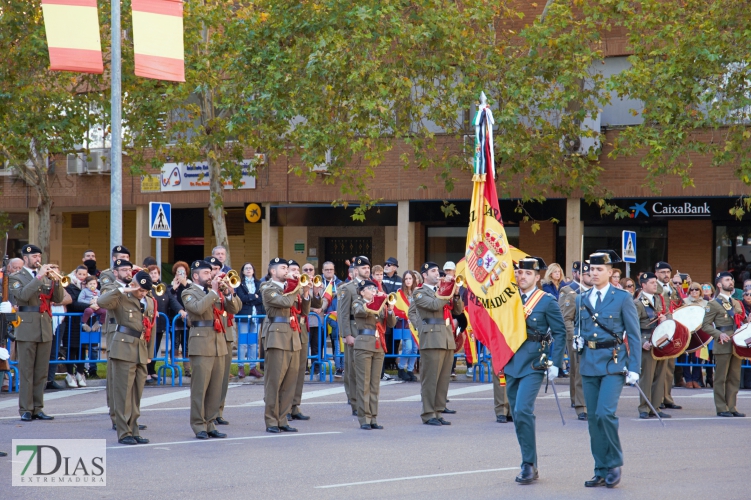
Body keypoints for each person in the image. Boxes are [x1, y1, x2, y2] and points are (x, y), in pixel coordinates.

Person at [575, 250, 641, 489]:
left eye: (599, 269)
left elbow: (633, 335)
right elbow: (579, 328)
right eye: (591, 269)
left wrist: (634, 368)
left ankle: (614, 463)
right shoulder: (581, 298)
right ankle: (600, 469)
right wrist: (577, 340)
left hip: (614, 363)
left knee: (605, 414)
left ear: (610, 272)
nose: (594, 273)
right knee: (593, 419)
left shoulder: (622, 298)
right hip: (589, 362)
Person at [504, 257, 566, 484]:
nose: (522, 277)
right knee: (516, 414)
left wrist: (556, 362)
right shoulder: (508, 299)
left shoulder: (546, 301)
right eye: (519, 273)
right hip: (511, 360)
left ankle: (529, 464)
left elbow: (560, 333)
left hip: (533, 361)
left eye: (528, 274)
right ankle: (527, 460)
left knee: (523, 410)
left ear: (538, 277)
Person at [97, 270, 157, 445]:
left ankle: (134, 429)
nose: (143, 293)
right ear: (134, 285)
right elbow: (101, 302)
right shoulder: (121, 297)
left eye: (145, 291)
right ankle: (124, 433)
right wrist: (125, 290)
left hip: (141, 349)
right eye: (140, 290)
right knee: (123, 394)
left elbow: (150, 329)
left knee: (136, 395)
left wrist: (150, 355)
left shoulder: (149, 302)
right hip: (123, 348)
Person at [9, 245, 65, 421]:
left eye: (39, 256)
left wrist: (56, 281)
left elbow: (58, 299)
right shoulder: (16, 277)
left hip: (44, 327)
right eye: (34, 256)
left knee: (41, 371)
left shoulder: (46, 277)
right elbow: (23, 295)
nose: (37, 259)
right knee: (27, 370)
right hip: (27, 326)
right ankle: (26, 409)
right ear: (25, 258)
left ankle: (38, 407)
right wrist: (40, 276)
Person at [182, 260, 233, 439]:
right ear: (195, 276)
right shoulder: (188, 292)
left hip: (219, 343)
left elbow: (236, 308)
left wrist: (227, 293)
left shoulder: (216, 291)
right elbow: (197, 308)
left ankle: (210, 423)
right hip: (201, 344)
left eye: (210, 273)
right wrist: (213, 291)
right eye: (206, 273)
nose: (210, 276)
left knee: (215, 387)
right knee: (200, 388)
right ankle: (198, 425)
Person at [409, 261, 464, 426]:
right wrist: (447, 291)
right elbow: (433, 305)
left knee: (443, 379)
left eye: (437, 271)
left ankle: (438, 411)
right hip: (432, 337)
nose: (437, 274)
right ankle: (428, 413)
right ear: (424, 275)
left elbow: (458, 310)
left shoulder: (442, 291)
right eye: (433, 271)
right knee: (430, 378)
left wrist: (455, 294)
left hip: (447, 337)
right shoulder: (419, 292)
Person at [260, 257, 305, 433]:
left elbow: (305, 309)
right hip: (276, 337)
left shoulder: (291, 288)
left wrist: (306, 293)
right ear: (273, 271)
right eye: (284, 268)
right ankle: (271, 420)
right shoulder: (267, 288)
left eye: (288, 268)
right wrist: (296, 287)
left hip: (293, 336)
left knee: (290, 380)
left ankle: (283, 418)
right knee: (275, 381)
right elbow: (285, 302)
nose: (287, 271)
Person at [701, 272, 746, 417]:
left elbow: (741, 322)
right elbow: (705, 325)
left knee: (734, 377)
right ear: (719, 285)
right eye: (727, 280)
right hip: (722, 342)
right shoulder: (713, 304)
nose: (731, 282)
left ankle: (732, 406)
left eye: (732, 279)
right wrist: (718, 334)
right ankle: (721, 407)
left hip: (736, 343)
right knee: (721, 377)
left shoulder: (736, 303)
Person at [353, 279, 396, 429]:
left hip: (379, 345)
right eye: (370, 288)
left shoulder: (380, 305)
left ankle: (373, 417)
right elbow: (361, 311)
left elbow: (391, 324)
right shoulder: (358, 302)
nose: (373, 291)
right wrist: (377, 301)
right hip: (364, 344)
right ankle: (364, 418)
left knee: (375, 384)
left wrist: (390, 309)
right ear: (362, 291)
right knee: (363, 383)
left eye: (374, 288)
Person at [99, 245, 132, 428]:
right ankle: (115, 417)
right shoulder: (109, 286)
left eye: (129, 269)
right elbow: (107, 302)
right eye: (124, 269)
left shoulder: (134, 285)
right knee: (114, 376)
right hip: (115, 331)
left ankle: (128, 416)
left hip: (132, 334)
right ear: (115, 271)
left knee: (129, 378)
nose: (128, 272)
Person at [633, 272, 671, 419]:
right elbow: (633, 326)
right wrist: (642, 343)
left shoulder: (658, 299)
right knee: (647, 377)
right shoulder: (637, 303)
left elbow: (667, 315)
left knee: (660, 376)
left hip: (660, 340)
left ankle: (655, 407)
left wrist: (664, 318)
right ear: (643, 285)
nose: (655, 284)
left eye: (656, 282)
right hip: (647, 340)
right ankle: (644, 407)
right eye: (652, 282)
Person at [558, 260, 592, 421]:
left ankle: (585, 401)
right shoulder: (570, 292)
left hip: (594, 337)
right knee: (578, 371)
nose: (591, 276)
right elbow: (567, 319)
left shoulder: (596, 291)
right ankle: (580, 404)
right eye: (586, 273)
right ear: (577, 274)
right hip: (577, 337)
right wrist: (574, 337)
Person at [338, 256, 371, 415]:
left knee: (365, 370)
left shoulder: (372, 287)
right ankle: (354, 402)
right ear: (356, 270)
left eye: (368, 268)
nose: (367, 270)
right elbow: (343, 314)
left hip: (368, 331)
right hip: (354, 330)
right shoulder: (348, 288)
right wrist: (346, 334)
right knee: (352, 368)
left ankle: (364, 402)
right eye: (364, 268)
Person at [215, 263, 242, 427]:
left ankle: (218, 411)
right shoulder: (207, 291)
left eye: (218, 269)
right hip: (212, 335)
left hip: (226, 334)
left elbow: (236, 307)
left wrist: (228, 292)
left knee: (224, 377)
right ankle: (208, 412)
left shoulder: (225, 289)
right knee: (212, 377)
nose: (216, 273)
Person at [654, 261, 683, 411]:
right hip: (660, 329)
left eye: (668, 272)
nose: (666, 275)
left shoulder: (672, 288)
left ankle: (667, 397)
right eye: (663, 272)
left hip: (673, 329)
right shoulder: (653, 287)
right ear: (656, 273)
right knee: (659, 367)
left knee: (670, 366)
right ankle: (657, 398)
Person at [286, 260, 312, 421]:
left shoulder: (301, 287)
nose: (296, 272)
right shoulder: (285, 287)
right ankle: (285, 407)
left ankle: (295, 405)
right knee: (289, 371)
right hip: (288, 331)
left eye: (297, 269)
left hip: (301, 331)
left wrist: (307, 292)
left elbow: (306, 310)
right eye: (293, 270)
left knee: (300, 371)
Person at [236, 262, 264, 379]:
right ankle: (241, 367)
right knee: (242, 343)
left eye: (250, 268)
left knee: (253, 343)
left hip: (255, 317)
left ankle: (253, 367)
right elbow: (241, 298)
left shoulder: (259, 283)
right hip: (243, 317)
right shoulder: (239, 284)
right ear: (242, 271)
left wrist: (250, 298)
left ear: (253, 271)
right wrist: (253, 297)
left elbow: (261, 299)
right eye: (246, 268)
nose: (248, 270)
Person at [145, 265, 170, 385]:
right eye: (151, 273)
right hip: (148, 323)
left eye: (156, 273)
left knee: (155, 348)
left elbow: (171, 300)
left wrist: (180, 310)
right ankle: (146, 371)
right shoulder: (146, 288)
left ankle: (152, 369)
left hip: (159, 323)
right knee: (147, 348)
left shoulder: (162, 287)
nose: (154, 275)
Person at [681, 283, 708, 389]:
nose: (694, 291)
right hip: (687, 331)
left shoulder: (706, 303)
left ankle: (696, 379)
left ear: (700, 291)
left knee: (698, 356)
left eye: (697, 289)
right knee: (686, 356)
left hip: (700, 332)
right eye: (692, 290)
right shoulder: (684, 301)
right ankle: (688, 379)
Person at [320, 261, 343, 377]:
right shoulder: (318, 283)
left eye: (331, 269)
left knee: (337, 342)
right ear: (322, 271)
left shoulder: (340, 283)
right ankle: (320, 366)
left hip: (335, 318)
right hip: (321, 317)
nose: (329, 271)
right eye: (326, 270)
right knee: (320, 343)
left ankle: (339, 367)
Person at [168, 261, 191, 376]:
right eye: (178, 272)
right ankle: (175, 369)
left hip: (187, 320)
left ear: (186, 274)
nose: (180, 274)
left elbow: (189, 298)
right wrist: (173, 288)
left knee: (186, 344)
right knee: (175, 344)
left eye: (183, 272)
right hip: (175, 319)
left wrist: (184, 284)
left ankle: (187, 369)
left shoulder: (190, 286)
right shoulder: (170, 286)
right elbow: (169, 300)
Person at [397, 271, 419, 382]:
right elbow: (397, 309)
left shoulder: (418, 292)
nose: (408, 280)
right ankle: (401, 368)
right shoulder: (400, 293)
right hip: (405, 324)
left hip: (415, 324)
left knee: (415, 348)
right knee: (408, 347)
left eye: (410, 278)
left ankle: (410, 370)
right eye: (406, 279)